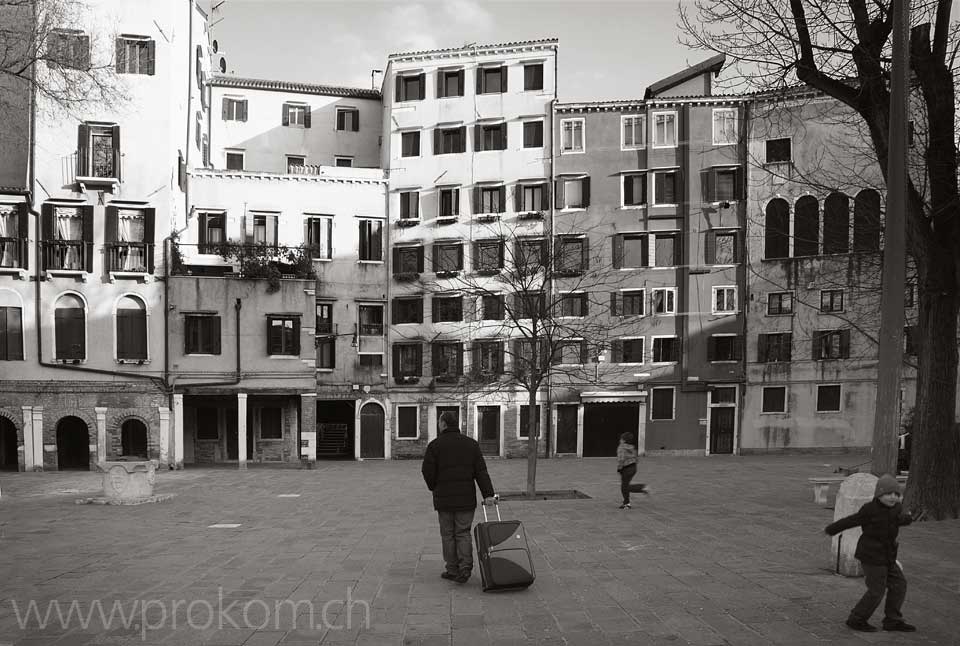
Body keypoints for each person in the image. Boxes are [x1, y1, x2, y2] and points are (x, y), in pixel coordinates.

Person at [824, 473, 916, 633]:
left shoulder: (896, 508)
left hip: (888, 555)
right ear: (879, 494)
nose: (892, 497)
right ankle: (856, 619)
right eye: (888, 494)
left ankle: (892, 620)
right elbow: (852, 520)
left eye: (896, 494)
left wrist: (907, 519)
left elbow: (896, 520)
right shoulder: (870, 509)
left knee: (899, 585)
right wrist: (831, 529)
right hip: (871, 556)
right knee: (877, 590)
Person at [421, 411, 496, 584]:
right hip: (465, 499)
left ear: (444, 424)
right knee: (463, 533)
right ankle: (465, 568)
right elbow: (481, 472)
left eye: (439, 422)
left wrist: (434, 486)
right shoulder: (471, 445)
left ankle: (452, 569)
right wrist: (488, 494)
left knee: (447, 534)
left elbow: (427, 471)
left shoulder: (435, 446)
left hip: (444, 499)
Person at [616, 432, 647, 509]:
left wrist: (619, 468)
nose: (620, 440)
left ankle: (642, 488)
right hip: (633, 467)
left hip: (626, 468)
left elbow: (621, 459)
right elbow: (636, 458)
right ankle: (626, 503)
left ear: (623, 440)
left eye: (621, 439)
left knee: (624, 487)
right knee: (625, 485)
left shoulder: (621, 447)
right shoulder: (632, 447)